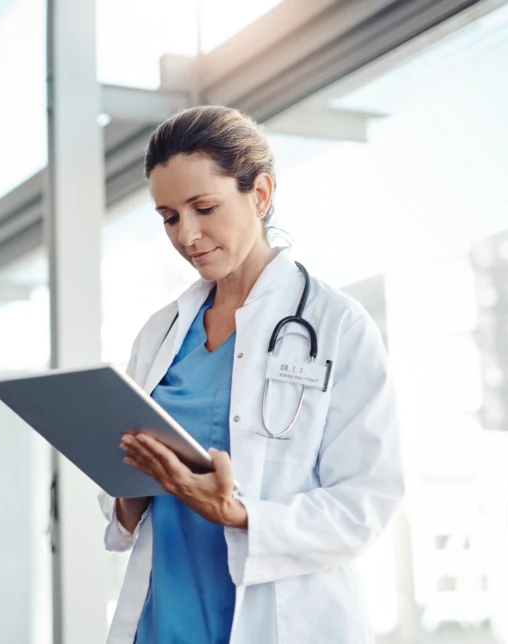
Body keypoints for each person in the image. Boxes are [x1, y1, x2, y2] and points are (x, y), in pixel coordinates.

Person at [99, 105, 404, 644]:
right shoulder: (160, 333)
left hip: (282, 622)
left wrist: (238, 514)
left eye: (204, 207)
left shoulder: (336, 325)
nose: (187, 235)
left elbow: (366, 503)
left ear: (259, 195)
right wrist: (132, 490)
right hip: (162, 621)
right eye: (169, 216)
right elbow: (126, 498)